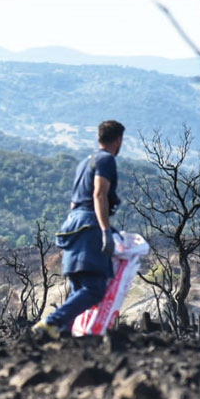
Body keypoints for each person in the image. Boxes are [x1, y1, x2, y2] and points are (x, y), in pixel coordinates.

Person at [32, 120, 125, 340]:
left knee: (78, 288)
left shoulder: (85, 162)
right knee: (94, 288)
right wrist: (105, 230)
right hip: (89, 225)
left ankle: (63, 332)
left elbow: (76, 201)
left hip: (72, 225)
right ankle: (51, 322)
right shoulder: (107, 160)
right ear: (119, 140)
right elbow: (99, 194)